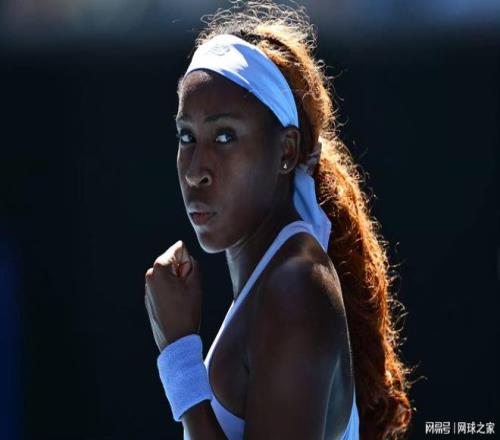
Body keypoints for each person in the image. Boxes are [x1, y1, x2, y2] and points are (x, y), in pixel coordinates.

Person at [144, 1, 414, 439]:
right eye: (187, 137)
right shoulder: (279, 280)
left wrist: (179, 356)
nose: (195, 171)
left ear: (286, 151)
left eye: (225, 136)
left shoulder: (294, 287)